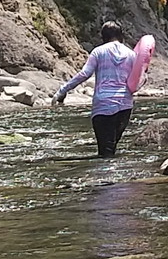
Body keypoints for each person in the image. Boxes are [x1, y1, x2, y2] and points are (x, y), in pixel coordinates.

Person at [55, 22, 142, 158]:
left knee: (105, 151)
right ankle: (115, 177)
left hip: (103, 106)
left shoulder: (98, 52)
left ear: (103, 37)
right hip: (125, 107)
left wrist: (63, 90)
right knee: (111, 147)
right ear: (121, 36)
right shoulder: (131, 55)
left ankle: (104, 177)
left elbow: (84, 74)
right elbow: (137, 81)